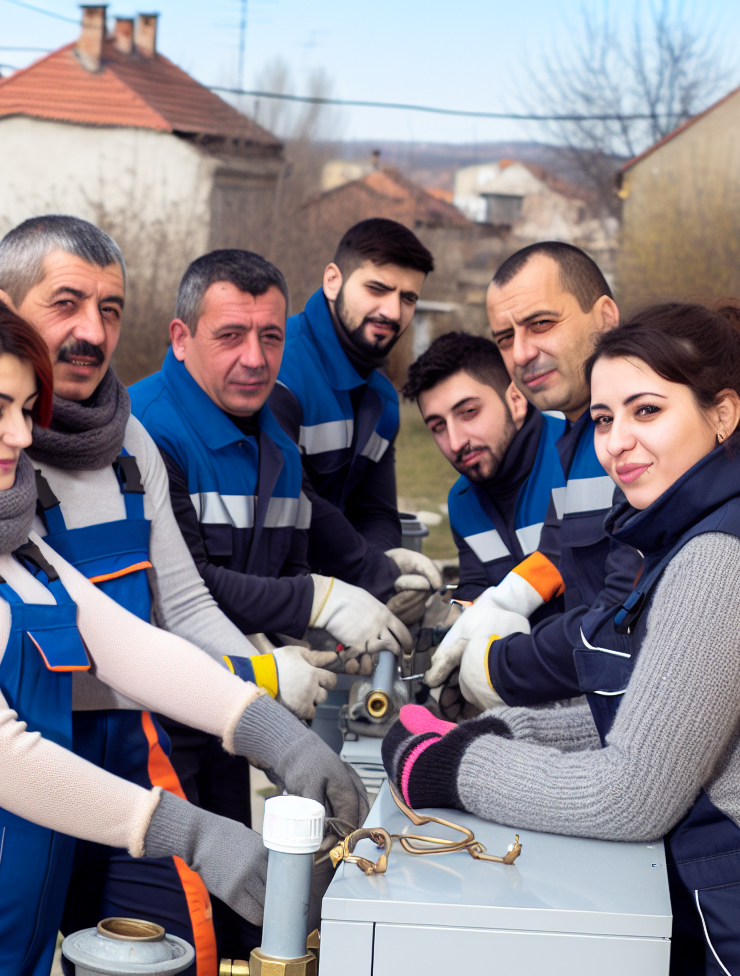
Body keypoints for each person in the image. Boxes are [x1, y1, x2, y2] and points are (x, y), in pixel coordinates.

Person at [0, 292, 367, 976]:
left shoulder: (5, 541)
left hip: (8, 931)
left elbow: (131, 644)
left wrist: (273, 734)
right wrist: (196, 833)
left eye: (28, 410)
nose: (20, 435)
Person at [383, 300, 740, 976]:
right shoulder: (729, 516)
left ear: (722, 414)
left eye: (647, 411)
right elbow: (656, 711)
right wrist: (503, 730)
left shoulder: (721, 557)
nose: (618, 444)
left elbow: (630, 795)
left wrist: (448, 769)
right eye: (605, 420)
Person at [0, 217, 338, 976]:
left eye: (110, 309)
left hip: (129, 754)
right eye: (67, 304)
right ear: (3, 308)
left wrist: (257, 697)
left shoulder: (127, 445)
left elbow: (178, 606)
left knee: (175, 973)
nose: (92, 332)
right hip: (16, 765)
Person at [129, 248, 411, 655]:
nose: (255, 359)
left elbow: (286, 573)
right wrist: (320, 601)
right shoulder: (145, 430)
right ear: (181, 339)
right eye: (230, 336)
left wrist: (308, 647)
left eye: (271, 337)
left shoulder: (281, 447)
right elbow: (182, 590)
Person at [426, 242, 641, 704]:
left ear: (605, 316)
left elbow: (626, 618)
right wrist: (494, 606)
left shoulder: (640, 435)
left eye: (541, 324)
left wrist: (504, 667)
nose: (522, 353)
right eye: (505, 338)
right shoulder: (579, 437)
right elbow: (558, 553)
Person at [270, 219, 443, 626]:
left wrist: (382, 574)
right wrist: (373, 575)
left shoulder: (382, 400)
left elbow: (377, 511)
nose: (393, 311)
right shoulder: (277, 369)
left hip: (333, 600)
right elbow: (295, 498)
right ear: (333, 281)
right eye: (377, 289)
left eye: (409, 298)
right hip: (266, 595)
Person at [402, 331, 565, 602]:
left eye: (468, 412)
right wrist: (446, 616)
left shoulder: (577, 456)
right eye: (438, 427)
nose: (455, 443)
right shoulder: (461, 501)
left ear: (515, 400)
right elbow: (476, 590)